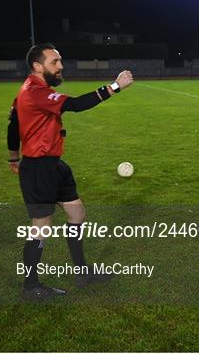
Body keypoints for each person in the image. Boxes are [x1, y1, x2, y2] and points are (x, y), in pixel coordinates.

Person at [7, 43, 134, 301]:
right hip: (39, 168)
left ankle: (82, 272)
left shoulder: (31, 90)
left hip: (55, 164)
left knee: (77, 213)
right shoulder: (34, 92)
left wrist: (12, 156)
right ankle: (31, 286)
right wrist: (116, 86)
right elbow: (75, 104)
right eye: (55, 62)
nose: (61, 66)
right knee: (41, 227)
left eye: (60, 60)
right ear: (37, 66)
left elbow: (14, 124)